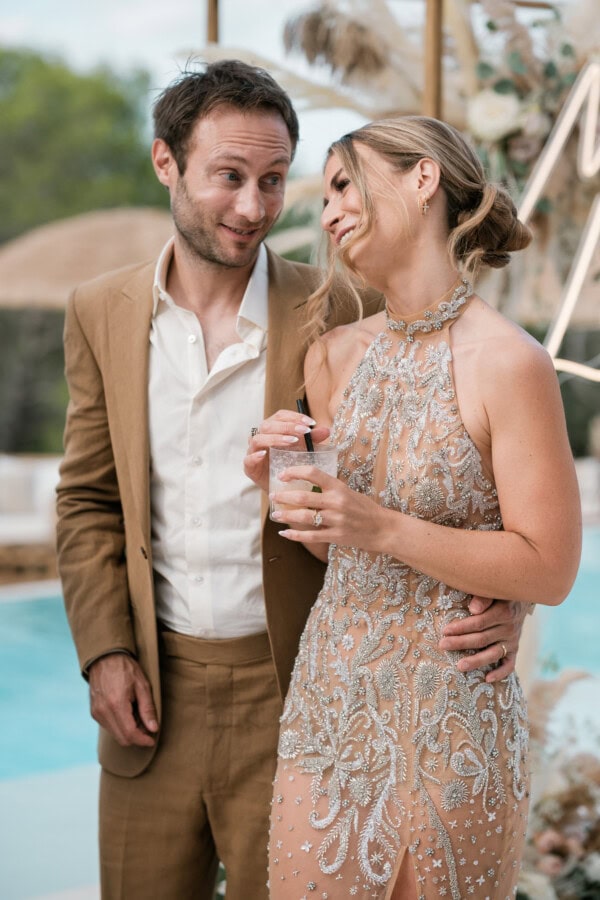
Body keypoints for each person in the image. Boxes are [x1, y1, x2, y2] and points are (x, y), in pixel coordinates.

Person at [56, 62, 530, 900]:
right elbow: (89, 496)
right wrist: (104, 651)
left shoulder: (341, 310)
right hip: (148, 700)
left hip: (300, 693)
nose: (253, 208)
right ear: (166, 163)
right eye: (228, 178)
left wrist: (504, 599)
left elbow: (433, 470)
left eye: (273, 181)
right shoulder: (99, 309)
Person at [244, 116, 582, 900]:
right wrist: (284, 491)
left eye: (341, 184)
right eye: (323, 196)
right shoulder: (328, 356)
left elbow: (552, 565)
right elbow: (339, 547)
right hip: (329, 713)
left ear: (422, 179)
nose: (327, 213)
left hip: (453, 719)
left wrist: (380, 524)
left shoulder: (512, 363)